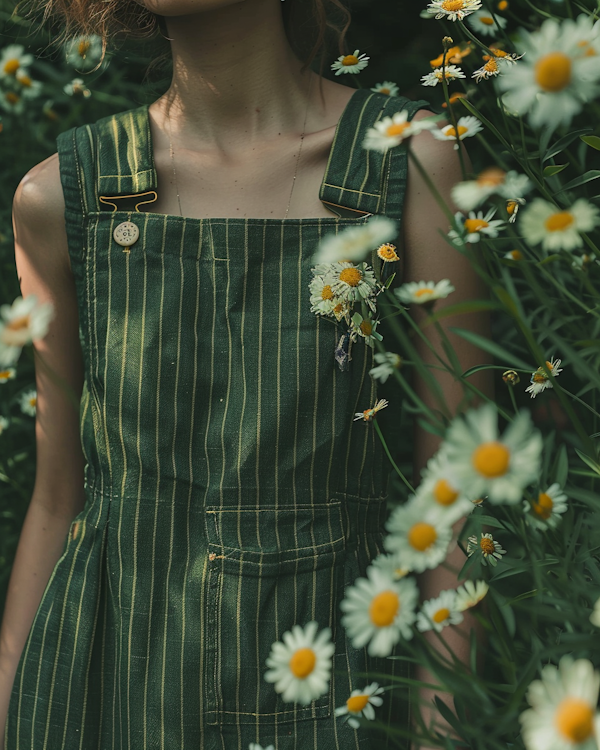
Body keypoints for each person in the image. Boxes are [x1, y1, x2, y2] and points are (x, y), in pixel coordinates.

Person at [0, 0, 493, 748]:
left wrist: (441, 731)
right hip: (108, 693)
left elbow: (457, 499)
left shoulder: (410, 160)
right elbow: (59, 496)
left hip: (336, 687)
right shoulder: (62, 195)